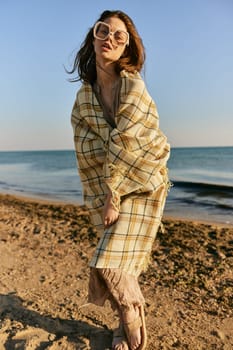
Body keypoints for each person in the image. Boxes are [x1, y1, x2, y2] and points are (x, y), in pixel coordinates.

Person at [70, 10, 170, 350]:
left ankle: (129, 313)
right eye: (104, 31)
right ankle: (123, 323)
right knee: (118, 258)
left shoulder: (133, 86)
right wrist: (105, 192)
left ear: (127, 48)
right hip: (109, 184)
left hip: (144, 180)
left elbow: (129, 143)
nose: (109, 39)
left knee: (108, 259)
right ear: (93, 36)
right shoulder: (85, 96)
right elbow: (86, 144)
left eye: (119, 36)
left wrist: (114, 195)